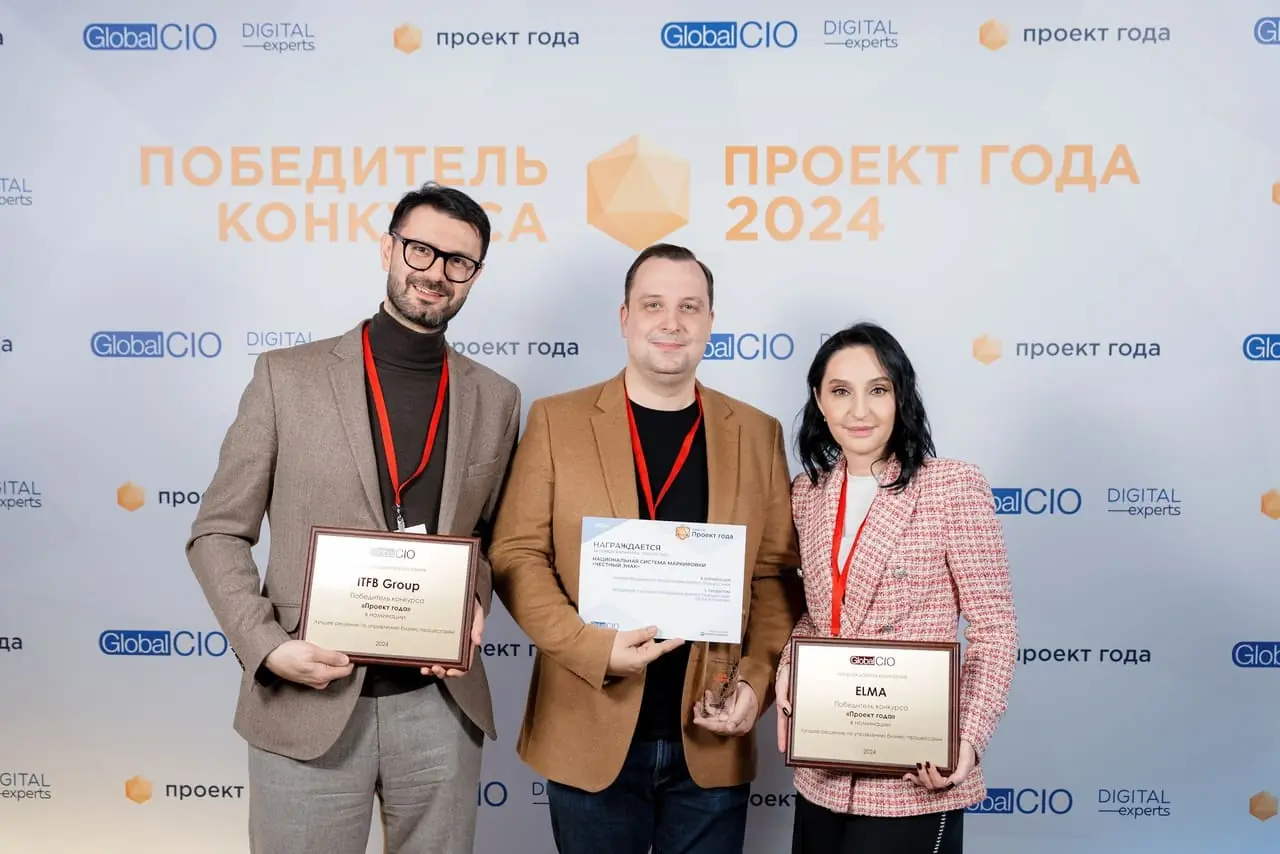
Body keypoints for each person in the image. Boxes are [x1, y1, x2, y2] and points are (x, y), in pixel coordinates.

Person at [185, 181, 521, 854]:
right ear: (388, 249)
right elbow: (217, 532)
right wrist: (267, 646)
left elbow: (488, 539)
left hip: (439, 705)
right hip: (307, 697)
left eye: (459, 261)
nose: (436, 273)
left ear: (475, 275)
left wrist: (475, 599)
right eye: (421, 250)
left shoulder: (497, 397)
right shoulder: (286, 377)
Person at [487, 243, 805, 854]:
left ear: (710, 320)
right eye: (653, 304)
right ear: (625, 317)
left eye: (689, 306)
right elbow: (516, 554)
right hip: (587, 726)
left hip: (711, 730)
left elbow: (773, 577)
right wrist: (591, 647)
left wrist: (756, 682)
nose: (672, 322)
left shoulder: (756, 432)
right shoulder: (557, 421)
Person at [775, 322, 1018, 854]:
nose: (859, 410)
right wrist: (789, 668)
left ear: (901, 396)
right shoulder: (807, 493)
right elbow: (819, 615)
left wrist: (967, 741)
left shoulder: (952, 486)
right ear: (819, 400)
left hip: (916, 777)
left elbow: (994, 631)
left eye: (878, 390)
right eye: (841, 391)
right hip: (823, 770)